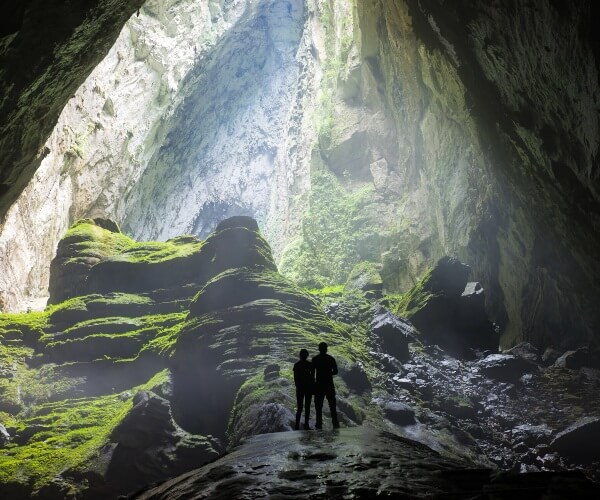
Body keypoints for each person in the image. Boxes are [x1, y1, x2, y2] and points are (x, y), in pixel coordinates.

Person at [312, 342, 339, 429]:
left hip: (319, 385)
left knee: (318, 406)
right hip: (329, 384)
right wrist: (328, 373)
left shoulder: (315, 359)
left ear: (319, 349)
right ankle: (335, 424)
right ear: (326, 349)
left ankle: (319, 424)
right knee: (332, 405)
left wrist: (313, 386)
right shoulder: (331, 359)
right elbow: (335, 371)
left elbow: (312, 373)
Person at [293, 348, 313, 430]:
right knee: (307, 407)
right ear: (307, 355)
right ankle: (306, 424)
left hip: (300, 388)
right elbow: (312, 376)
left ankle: (297, 425)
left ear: (300, 355)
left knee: (300, 407)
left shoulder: (297, 365)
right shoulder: (309, 364)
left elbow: (295, 378)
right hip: (308, 387)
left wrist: (298, 386)